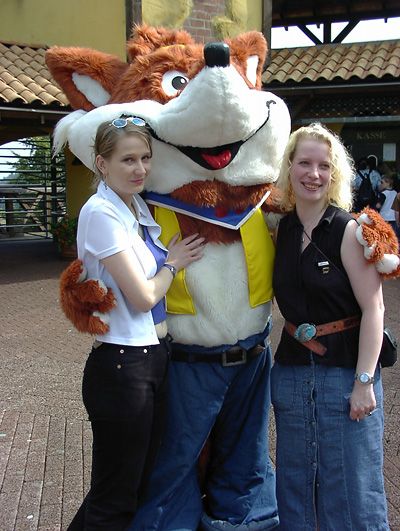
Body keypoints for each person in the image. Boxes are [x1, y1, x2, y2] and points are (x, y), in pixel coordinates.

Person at [67, 116, 204, 530]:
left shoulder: (136, 206)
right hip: (122, 365)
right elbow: (142, 296)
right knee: (116, 497)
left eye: (145, 158)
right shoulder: (100, 212)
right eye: (128, 159)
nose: (140, 168)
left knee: (130, 486)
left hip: (151, 357)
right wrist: (173, 265)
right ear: (101, 163)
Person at [271, 123, 389, 530]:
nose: (314, 174)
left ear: (335, 173)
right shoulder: (282, 230)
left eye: (324, 166)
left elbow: (375, 309)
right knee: (295, 480)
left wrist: (364, 381)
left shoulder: (349, 230)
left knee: (352, 483)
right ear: (289, 167)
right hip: (291, 370)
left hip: (345, 371)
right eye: (304, 163)